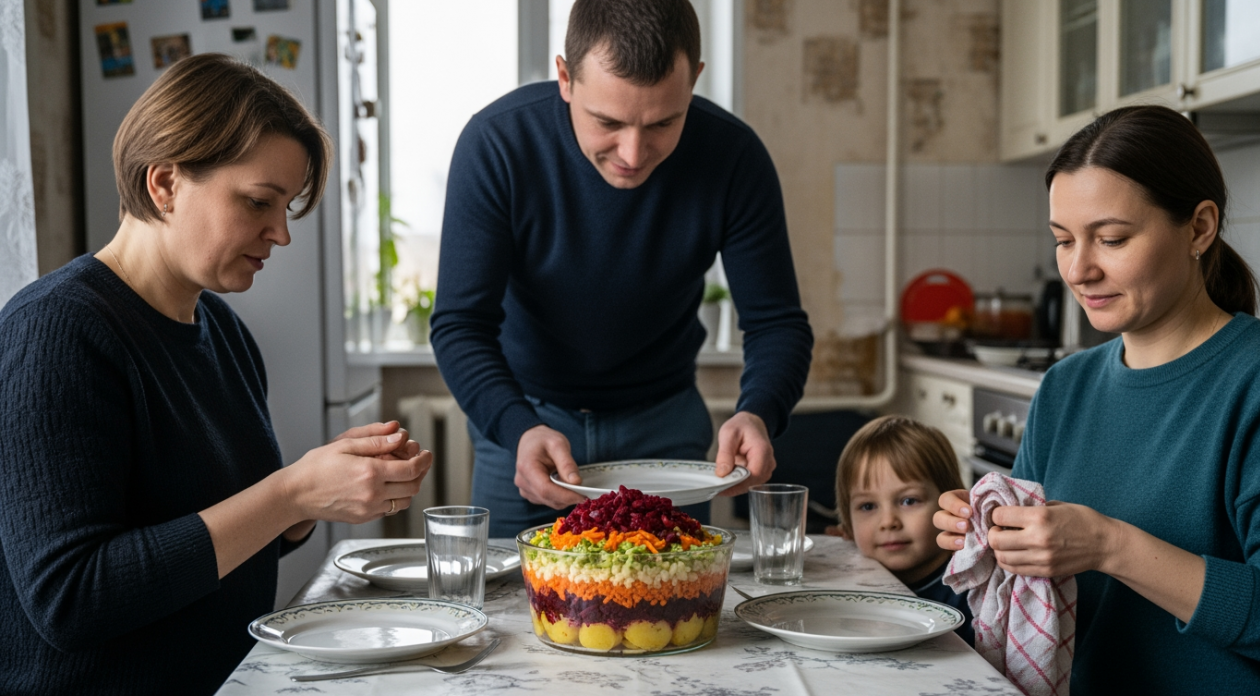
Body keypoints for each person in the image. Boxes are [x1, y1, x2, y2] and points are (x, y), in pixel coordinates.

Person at [0, 54, 432, 695]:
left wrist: (306, 504)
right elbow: (72, 598)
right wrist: (288, 493)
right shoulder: (57, 331)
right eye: (260, 201)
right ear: (165, 184)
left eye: (285, 207)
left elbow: (216, 543)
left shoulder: (223, 332)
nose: (281, 233)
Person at [934, 105, 1260, 693]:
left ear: (1200, 229)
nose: (1078, 270)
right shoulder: (1065, 386)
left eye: (1111, 239)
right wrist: (990, 532)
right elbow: (1030, 587)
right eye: (1062, 241)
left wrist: (1110, 545)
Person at [431, 0, 813, 538]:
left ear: (694, 82)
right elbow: (459, 324)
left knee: (673, 609)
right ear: (565, 78)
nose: (633, 153)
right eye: (607, 121)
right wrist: (517, 428)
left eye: (663, 121)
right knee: (509, 610)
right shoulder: (497, 144)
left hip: (665, 424)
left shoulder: (734, 157)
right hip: (528, 425)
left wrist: (760, 412)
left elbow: (776, 324)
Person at [833, 415, 974, 647]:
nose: (888, 522)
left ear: (951, 505)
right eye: (868, 506)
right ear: (847, 523)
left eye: (909, 501)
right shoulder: (850, 580)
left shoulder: (972, 591)